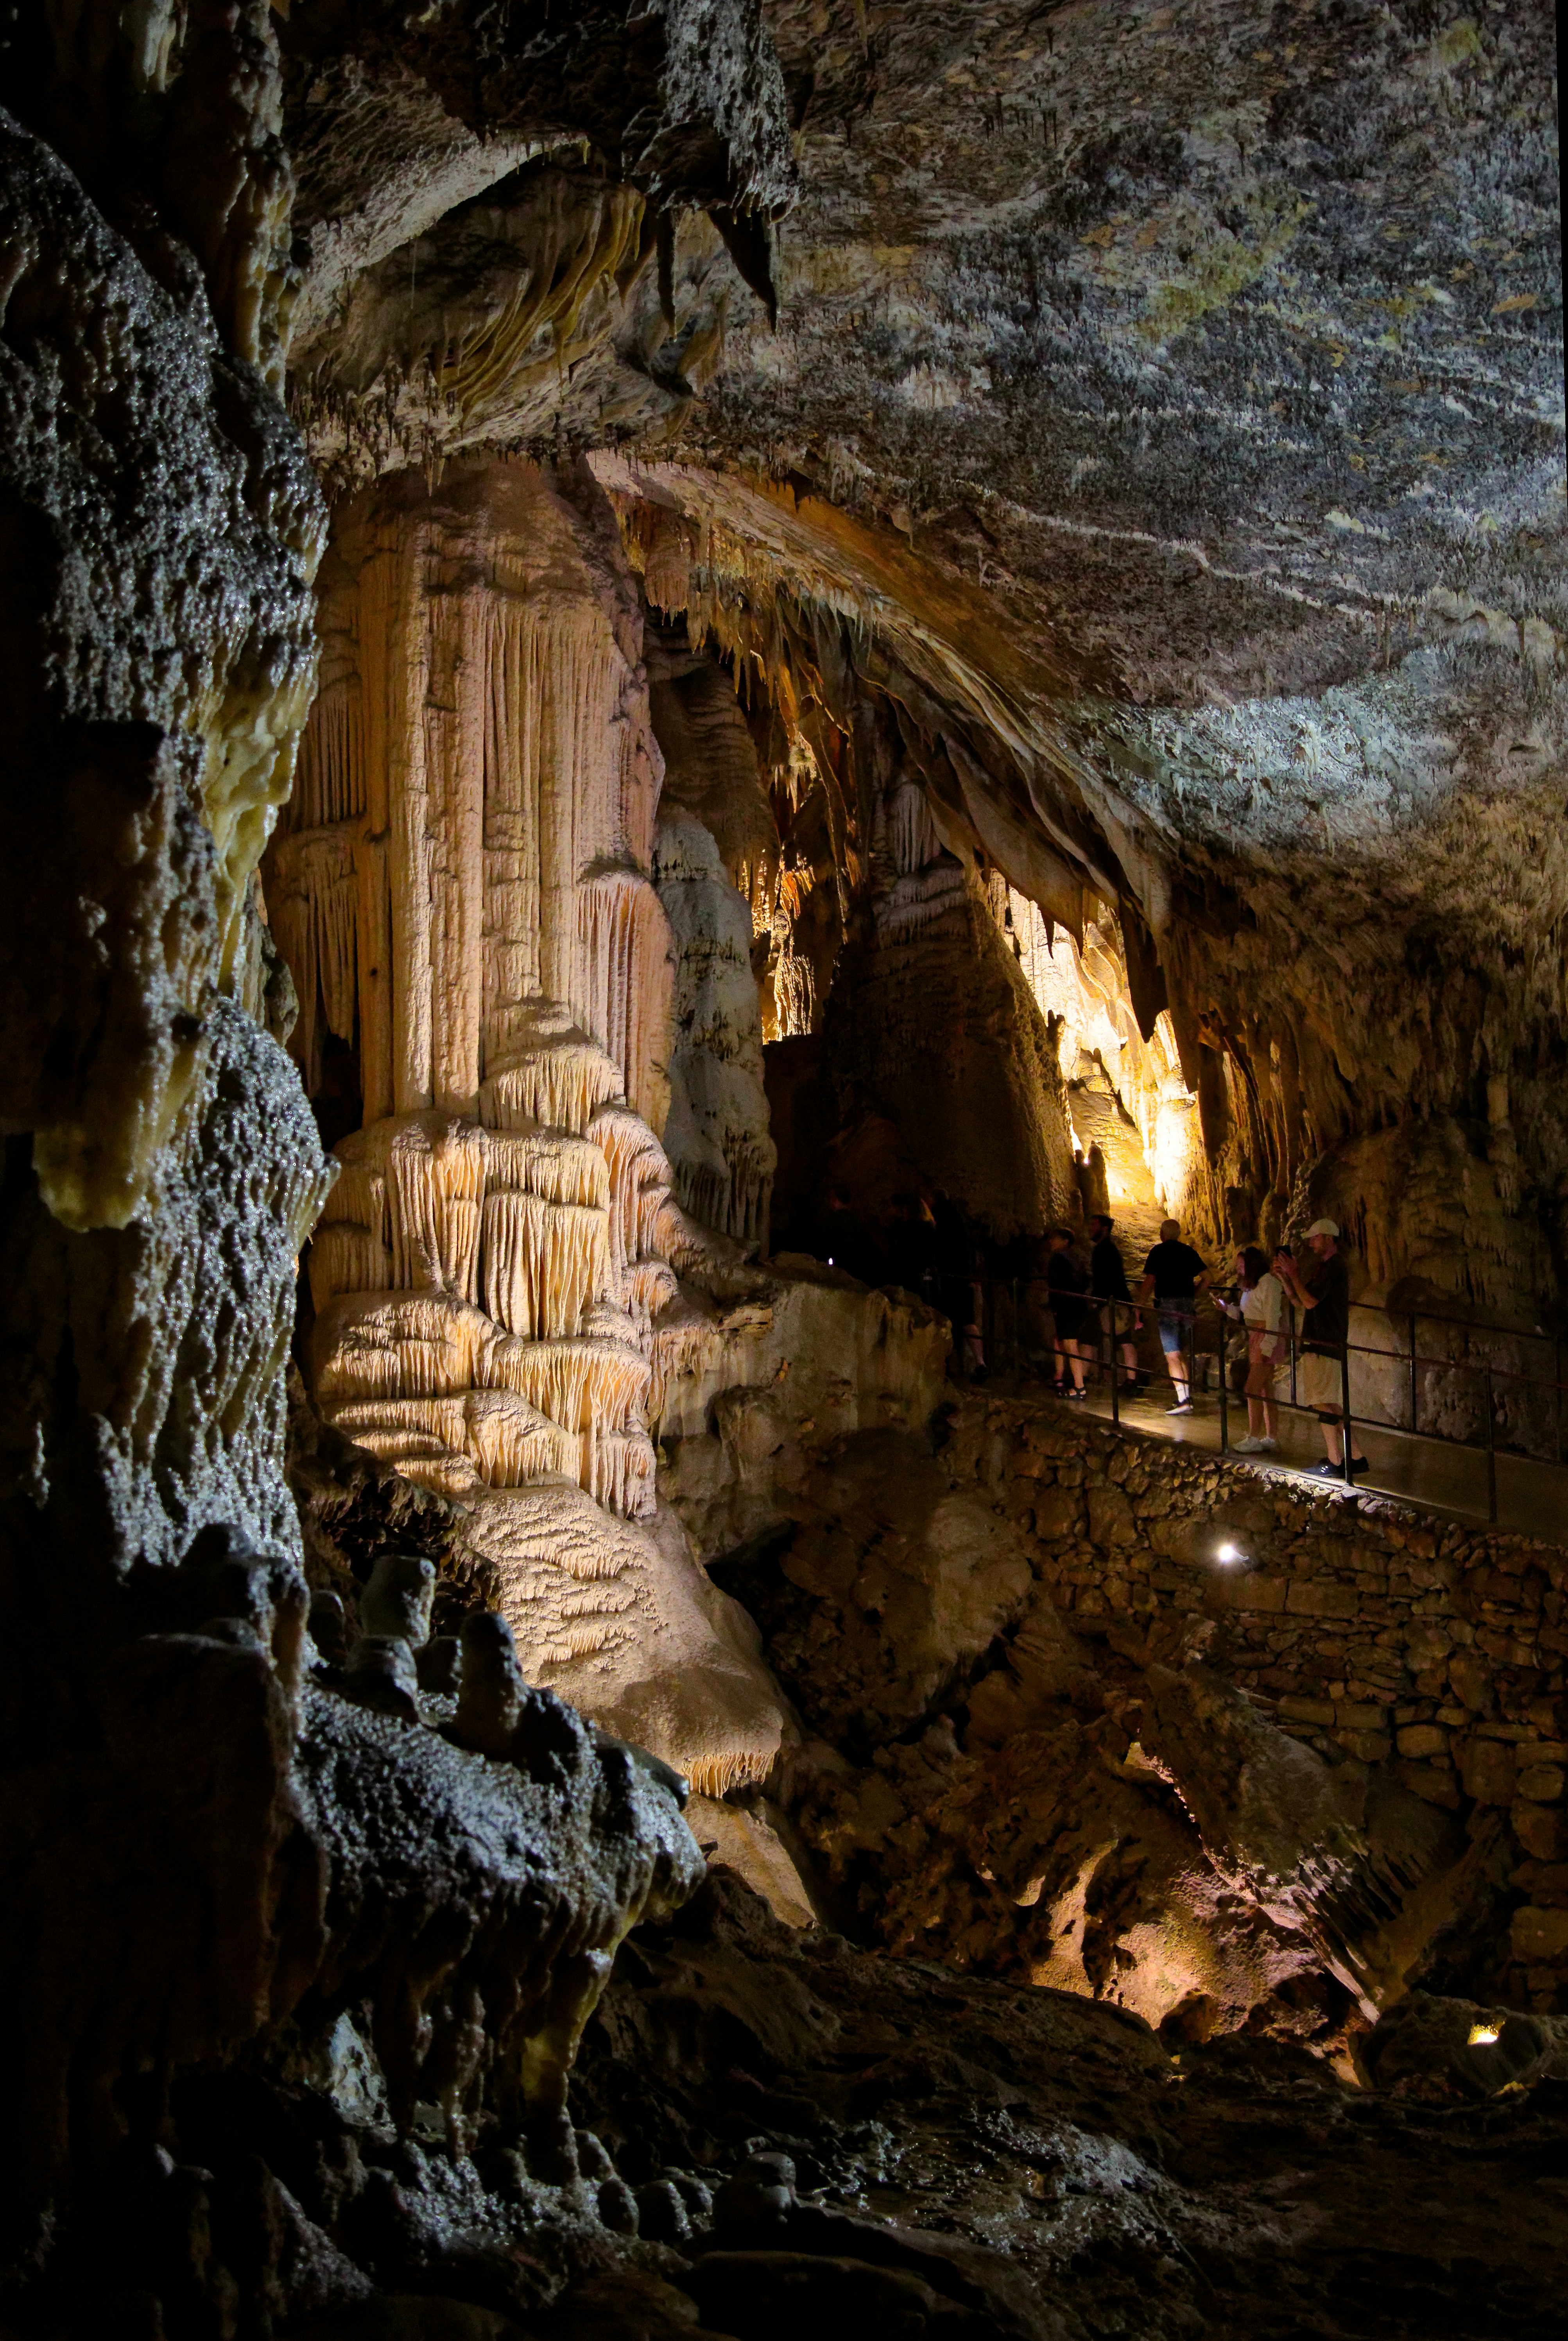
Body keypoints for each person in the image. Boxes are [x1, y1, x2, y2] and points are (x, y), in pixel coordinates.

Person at [1273, 1218, 1367, 1479]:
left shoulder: (1334, 1267)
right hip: (1322, 1342)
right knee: (1328, 1403)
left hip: (1323, 1343)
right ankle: (1356, 1457)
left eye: (1315, 1238)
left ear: (1328, 1237)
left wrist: (1293, 1273)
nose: (1311, 1242)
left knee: (1320, 1402)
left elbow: (1311, 1301)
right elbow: (1300, 1301)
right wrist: (1285, 1279)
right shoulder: (1324, 1268)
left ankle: (1335, 1459)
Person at [1136, 1218, 1210, 1413]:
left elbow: (1150, 1281)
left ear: (1163, 1234)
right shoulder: (1188, 1252)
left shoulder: (1158, 1252)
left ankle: (1183, 1401)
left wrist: (1139, 1305)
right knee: (1181, 1354)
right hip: (1187, 1306)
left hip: (1168, 1305)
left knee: (1172, 1355)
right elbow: (1209, 1278)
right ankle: (1187, 1397)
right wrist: (1194, 1294)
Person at [1218, 1245, 1287, 1453]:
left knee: (1252, 1388)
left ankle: (1254, 1437)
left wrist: (1267, 1345)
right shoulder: (1253, 1286)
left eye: (1242, 1264)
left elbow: (1273, 1317)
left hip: (1267, 1339)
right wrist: (1227, 1309)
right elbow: (1245, 1315)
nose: (1238, 1268)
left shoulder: (1269, 1284)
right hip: (1257, 1338)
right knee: (1265, 1389)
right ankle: (1271, 1437)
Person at [1086, 1213, 1139, 1390]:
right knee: (1124, 1340)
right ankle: (1130, 1379)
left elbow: (1106, 1278)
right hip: (1117, 1300)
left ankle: (1089, 1377)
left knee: (1098, 1338)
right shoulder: (1107, 1249)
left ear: (1105, 1228)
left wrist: (1098, 1300)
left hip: (1111, 1302)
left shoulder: (1105, 1250)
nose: (1090, 1229)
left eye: (1095, 1225)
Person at [1045, 1227, 1091, 1397]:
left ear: (1065, 1241)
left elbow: (1056, 1286)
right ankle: (1060, 1376)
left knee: (1071, 1346)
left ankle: (1079, 1387)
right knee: (1061, 1340)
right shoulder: (1076, 1258)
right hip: (1078, 1305)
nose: (1051, 1241)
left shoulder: (1059, 1260)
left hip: (1067, 1307)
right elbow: (1084, 1281)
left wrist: (1056, 1307)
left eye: (1055, 1238)